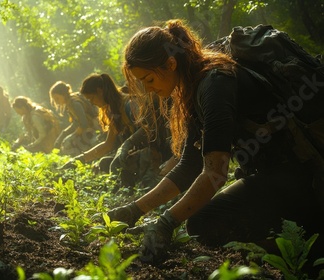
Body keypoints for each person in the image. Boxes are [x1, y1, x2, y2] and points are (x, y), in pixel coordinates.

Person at [108, 19, 324, 263]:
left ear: (170, 63)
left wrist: (166, 223)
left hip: (302, 180)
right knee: (203, 219)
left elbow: (216, 173)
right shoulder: (192, 84)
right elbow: (189, 165)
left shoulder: (215, 84)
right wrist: (134, 210)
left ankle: (303, 250)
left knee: (204, 223)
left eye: (149, 80)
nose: (148, 89)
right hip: (271, 176)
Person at [68, 73, 137, 173]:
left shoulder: (128, 104)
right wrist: (80, 159)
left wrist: (127, 146)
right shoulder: (113, 110)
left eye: (91, 98)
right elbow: (108, 144)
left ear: (99, 91)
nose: (91, 103)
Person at [49, 81, 100, 156]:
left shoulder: (75, 103)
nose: (56, 102)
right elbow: (76, 123)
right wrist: (64, 133)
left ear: (63, 94)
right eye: (55, 99)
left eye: (57, 98)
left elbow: (84, 124)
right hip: (89, 129)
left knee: (68, 145)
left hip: (94, 128)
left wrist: (71, 136)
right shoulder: (70, 102)